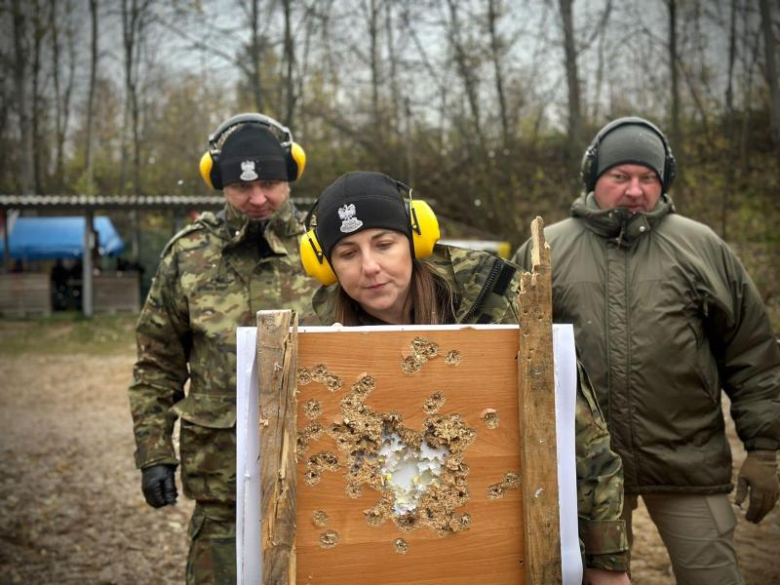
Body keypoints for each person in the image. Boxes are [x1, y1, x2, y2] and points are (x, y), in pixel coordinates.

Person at [301, 171, 631, 584]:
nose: (370, 267)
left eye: (384, 244)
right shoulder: (314, 332)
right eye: (347, 253)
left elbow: (581, 435)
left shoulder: (496, 298)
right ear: (326, 265)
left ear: (415, 241)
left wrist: (605, 561)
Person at [513, 117, 780, 585]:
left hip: (686, 461)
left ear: (664, 182)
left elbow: (751, 354)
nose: (635, 190)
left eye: (648, 178)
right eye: (620, 177)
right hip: (581, 471)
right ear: (594, 178)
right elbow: (505, 351)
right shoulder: (545, 249)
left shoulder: (702, 247)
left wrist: (765, 450)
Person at [128, 113, 319, 585]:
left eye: (271, 183)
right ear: (218, 184)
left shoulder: (327, 246)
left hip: (318, 462)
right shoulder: (187, 254)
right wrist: (155, 453)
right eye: (241, 186)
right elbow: (157, 363)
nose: (258, 198)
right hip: (221, 479)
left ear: (291, 176)